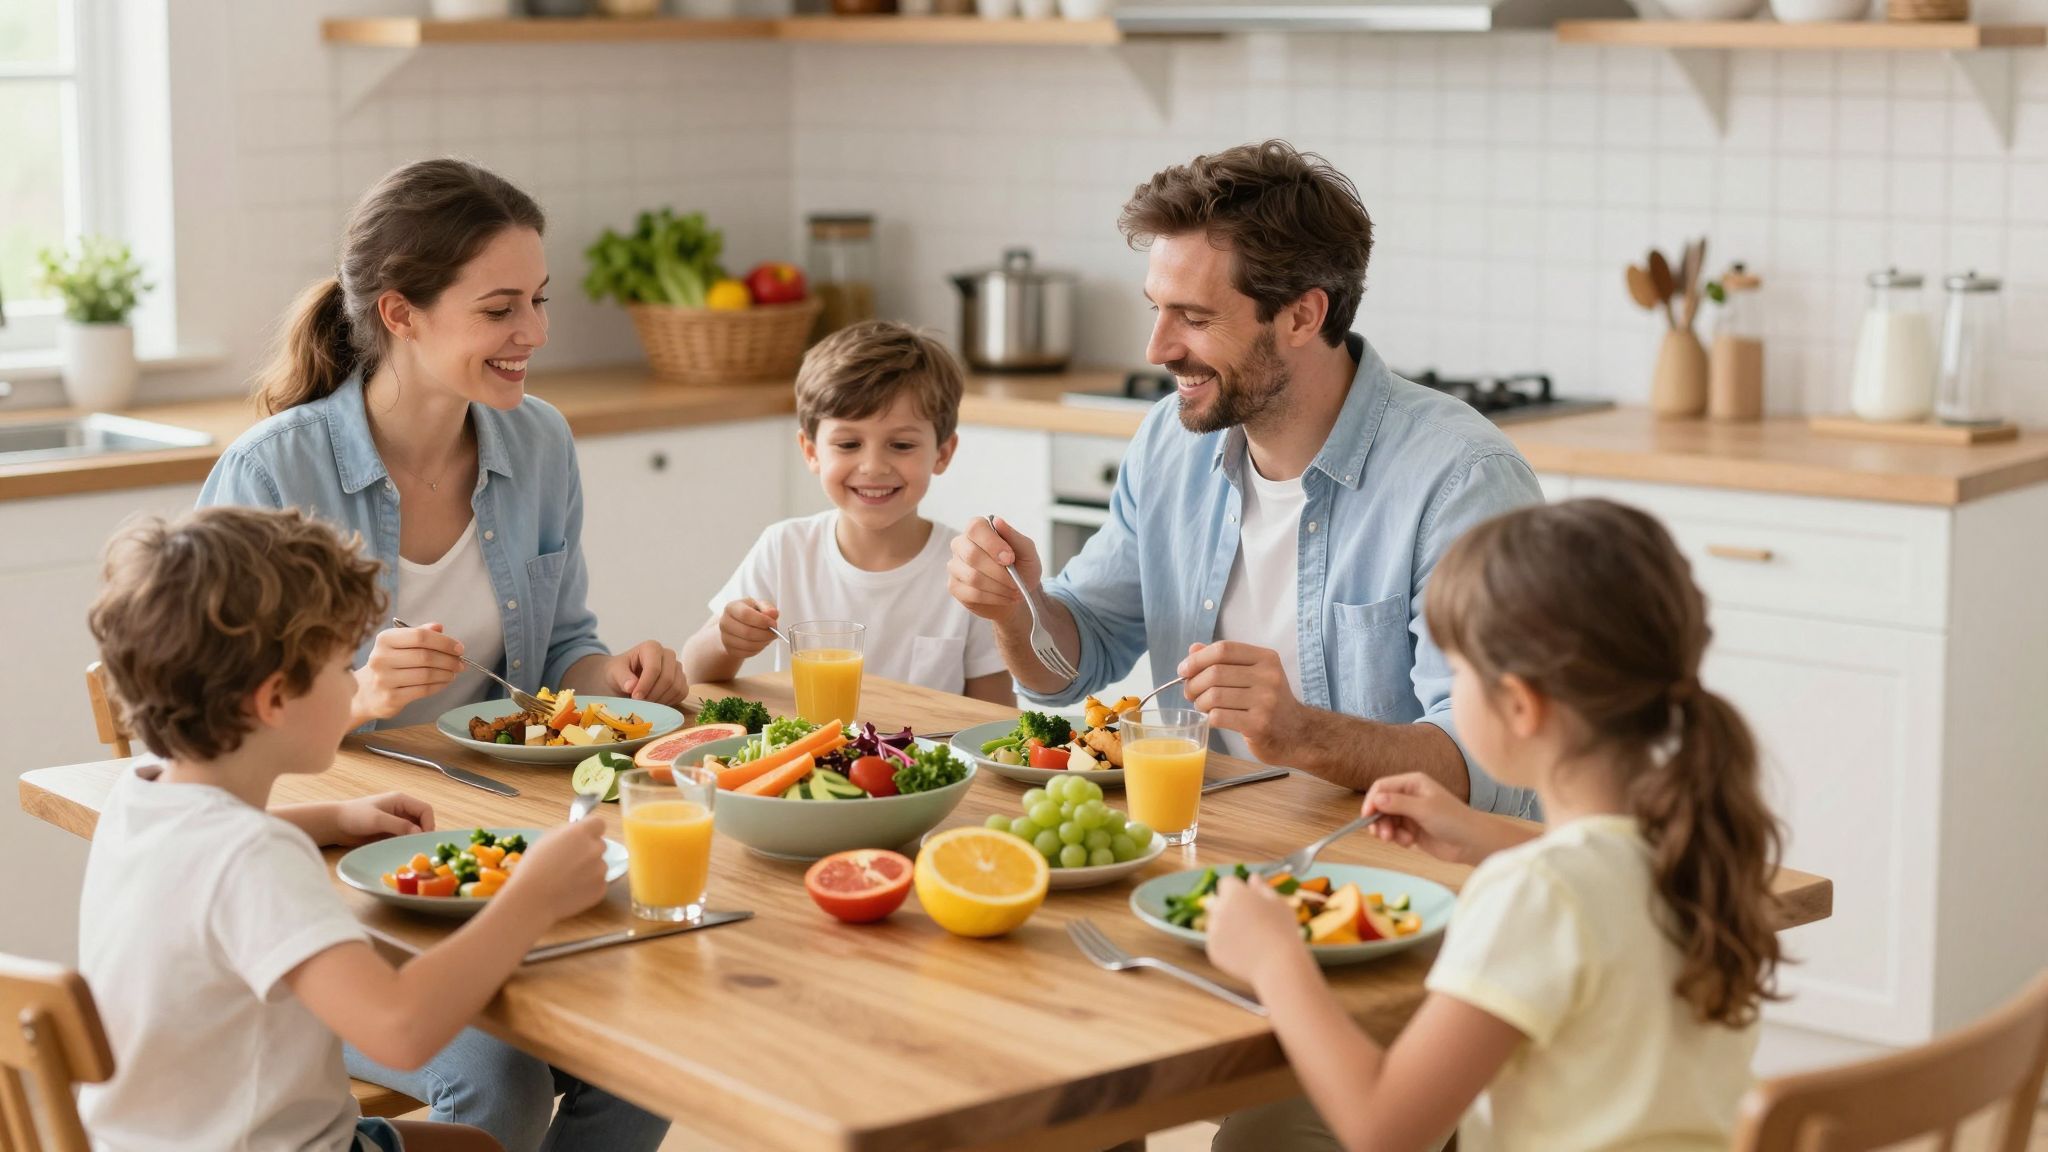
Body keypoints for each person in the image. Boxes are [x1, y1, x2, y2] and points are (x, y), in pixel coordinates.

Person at [196, 159, 672, 1151]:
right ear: (400, 313)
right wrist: (361, 694)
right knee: (497, 1078)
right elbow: (214, 721)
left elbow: (565, 648)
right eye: (500, 308)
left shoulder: (536, 442)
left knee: (645, 1059)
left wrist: (615, 680)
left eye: (537, 301)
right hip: (331, 869)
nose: (533, 334)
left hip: (496, 843)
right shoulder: (275, 470)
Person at [946, 141, 1543, 816]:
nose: (1158, 350)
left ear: (1302, 316)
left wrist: (1301, 734)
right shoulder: (1170, 442)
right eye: (1157, 310)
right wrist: (1016, 611)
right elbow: (1073, 671)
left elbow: (1498, 766)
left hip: (1392, 878)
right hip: (1210, 840)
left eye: (1195, 319)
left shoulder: (1461, 482)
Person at [1201, 498, 1787, 1152]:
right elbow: (1597, 879)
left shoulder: (1531, 896)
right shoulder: (1695, 852)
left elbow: (1381, 1130)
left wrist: (1276, 959)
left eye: (1456, 672)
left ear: (1518, 705)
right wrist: (1482, 834)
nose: (1448, 689)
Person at [79, 506, 614, 1152]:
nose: (354, 685)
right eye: (342, 669)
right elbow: (400, 1027)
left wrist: (331, 818)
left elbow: (207, 858)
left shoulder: (139, 801)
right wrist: (534, 895)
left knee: (481, 1147)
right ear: (275, 700)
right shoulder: (254, 860)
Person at [684, 320, 1012, 704]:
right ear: (811, 451)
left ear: (942, 453)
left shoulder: (968, 571)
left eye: (902, 445)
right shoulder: (785, 548)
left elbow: (994, 718)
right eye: (849, 443)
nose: (873, 466)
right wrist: (727, 640)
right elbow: (694, 673)